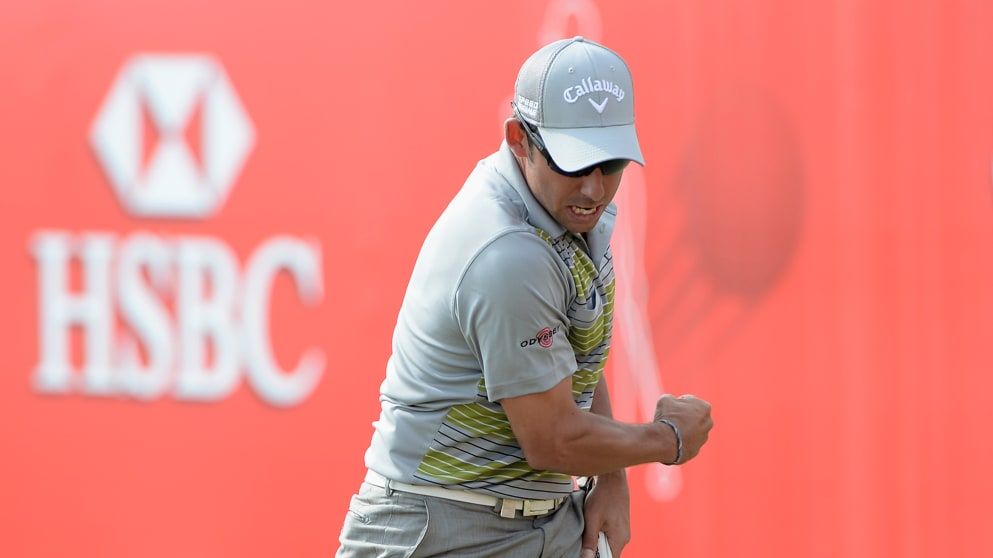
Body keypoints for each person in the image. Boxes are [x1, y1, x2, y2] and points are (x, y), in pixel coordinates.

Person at [335, 36, 713, 558]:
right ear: (519, 139)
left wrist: (611, 478)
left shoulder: (569, 209)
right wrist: (668, 439)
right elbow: (552, 439)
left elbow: (571, 354)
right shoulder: (507, 252)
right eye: (574, 163)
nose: (594, 189)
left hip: (541, 519)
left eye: (610, 163)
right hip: (436, 525)